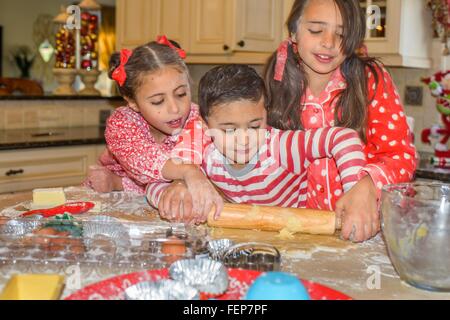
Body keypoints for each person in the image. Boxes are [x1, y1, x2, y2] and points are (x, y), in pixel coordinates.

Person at [262, 0, 417, 241]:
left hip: (363, 232)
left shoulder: (370, 80)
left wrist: (366, 184)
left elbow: (401, 156)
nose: (329, 42)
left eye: (342, 34)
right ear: (294, 31)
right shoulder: (274, 83)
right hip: (295, 232)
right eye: (316, 30)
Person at [148, 65, 367, 230]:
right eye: (230, 130)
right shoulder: (207, 156)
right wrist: (177, 192)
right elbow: (151, 184)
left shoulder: (280, 148)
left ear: (266, 115)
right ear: (205, 127)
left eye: (254, 126)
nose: (244, 140)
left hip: (296, 240)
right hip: (242, 241)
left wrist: (355, 193)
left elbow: (343, 138)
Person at [85, 36, 222, 220]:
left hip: (162, 205)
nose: (174, 109)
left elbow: (209, 164)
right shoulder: (122, 123)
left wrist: (184, 179)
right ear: (132, 102)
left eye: (181, 93)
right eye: (158, 101)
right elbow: (145, 164)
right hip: (111, 204)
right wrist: (188, 172)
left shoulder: (199, 120)